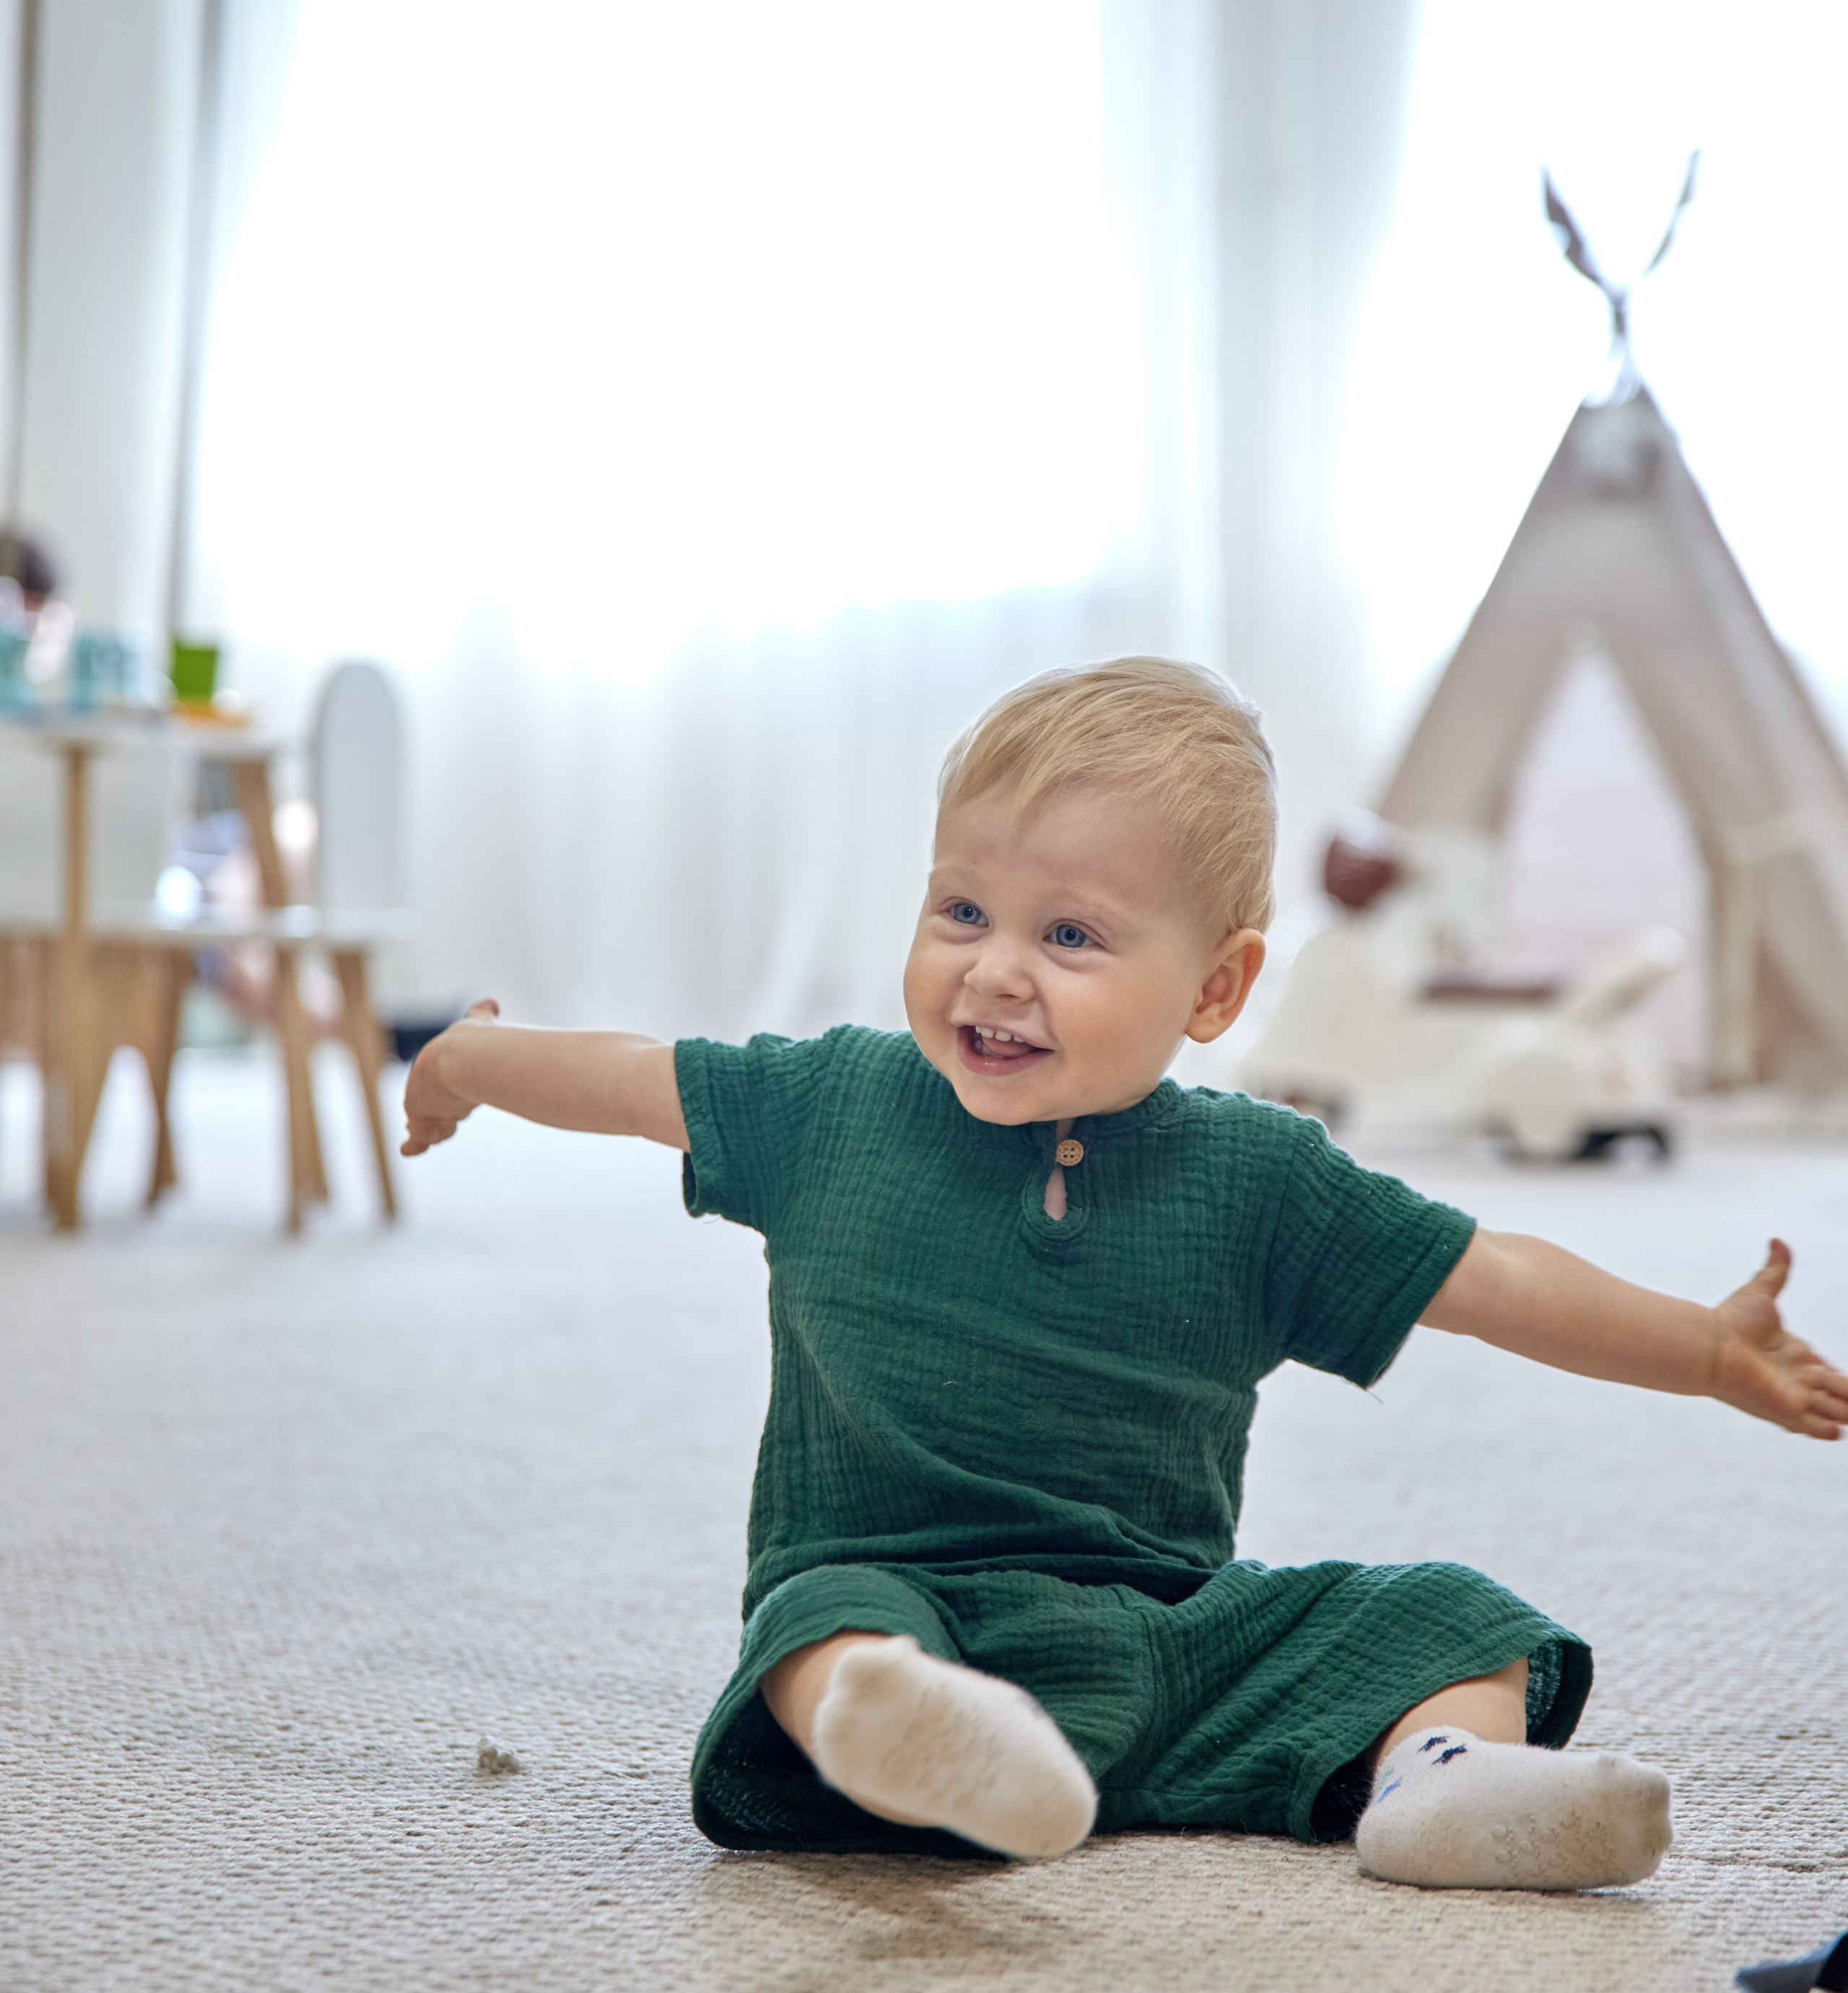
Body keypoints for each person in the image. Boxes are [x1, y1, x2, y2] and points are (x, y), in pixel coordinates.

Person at [400, 659, 1847, 1889]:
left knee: (1449, 1616)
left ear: (1213, 991)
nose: (992, 971)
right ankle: (911, 1735)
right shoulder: (831, 1105)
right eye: (959, 911)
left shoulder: (1259, 1181)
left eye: (1069, 935)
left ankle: (1434, 1781)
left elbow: (1493, 1278)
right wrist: (469, 1060)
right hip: (907, 1600)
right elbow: (633, 1075)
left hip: (1166, 1644)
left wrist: (1700, 1348)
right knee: (814, 1623)